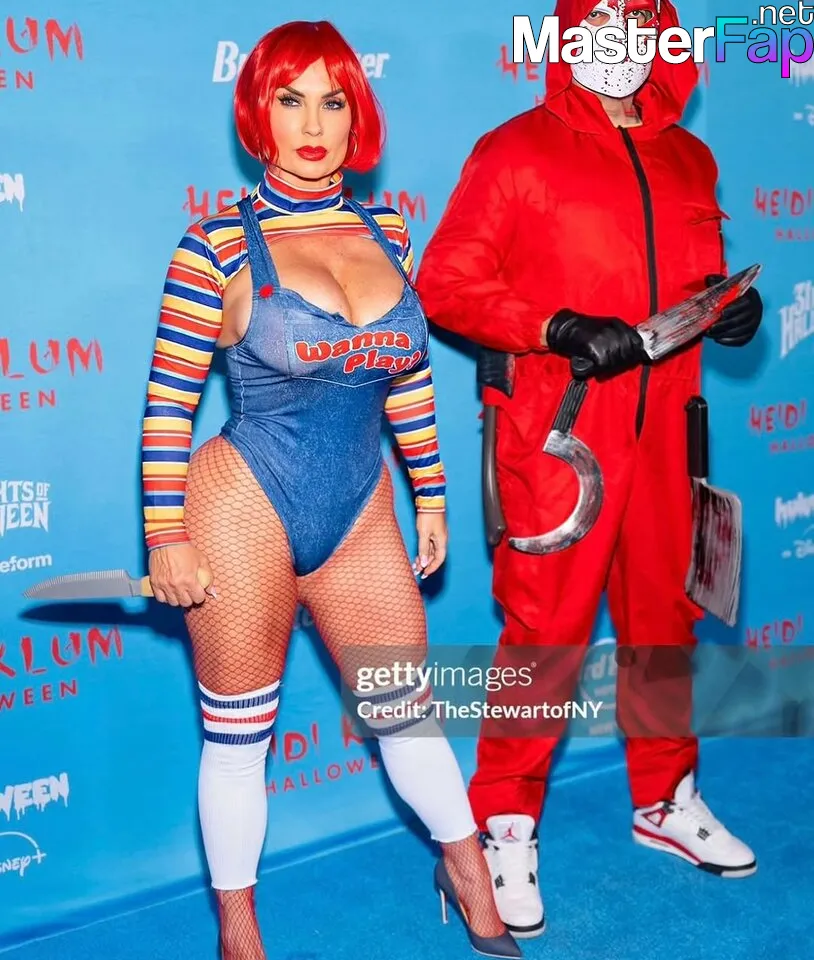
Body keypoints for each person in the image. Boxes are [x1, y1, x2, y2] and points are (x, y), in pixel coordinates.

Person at [140, 20, 521, 960]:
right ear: (257, 114)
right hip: (241, 505)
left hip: (359, 508)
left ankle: (466, 865)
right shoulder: (214, 246)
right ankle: (239, 932)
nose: (312, 125)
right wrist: (165, 535)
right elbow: (169, 404)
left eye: (333, 101)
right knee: (238, 738)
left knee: (406, 709)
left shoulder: (388, 231)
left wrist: (432, 496)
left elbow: (410, 378)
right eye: (290, 99)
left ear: (359, 117)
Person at [415, 0, 762, 940]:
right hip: (559, 426)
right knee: (546, 630)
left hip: (668, 427)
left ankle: (665, 797)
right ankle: (503, 824)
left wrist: (728, 308)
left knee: (665, 615)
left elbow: (693, 282)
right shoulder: (515, 150)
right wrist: (553, 326)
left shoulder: (690, 157)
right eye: (600, 27)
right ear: (568, 37)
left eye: (639, 27)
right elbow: (445, 283)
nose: (620, 48)